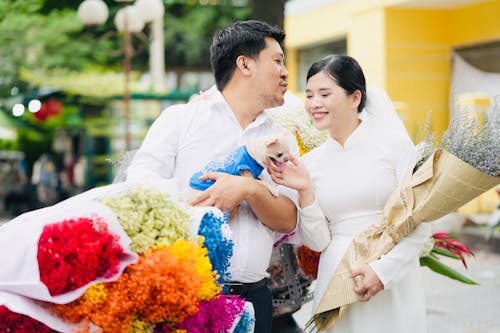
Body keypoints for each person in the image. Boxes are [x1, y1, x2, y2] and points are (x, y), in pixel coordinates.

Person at [126, 20, 302, 333]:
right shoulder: (181, 120)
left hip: (256, 297)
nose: (286, 72)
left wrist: (249, 189)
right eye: (277, 61)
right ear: (245, 64)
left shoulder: (280, 138)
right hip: (191, 298)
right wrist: (202, 203)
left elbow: (288, 219)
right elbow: (138, 191)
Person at [267, 55, 430, 333]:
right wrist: (305, 189)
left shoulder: (393, 146)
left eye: (324, 94)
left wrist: (383, 272)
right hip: (338, 279)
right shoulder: (310, 164)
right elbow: (318, 242)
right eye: (309, 95)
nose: (314, 103)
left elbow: (421, 222)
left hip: (392, 278)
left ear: (355, 97)